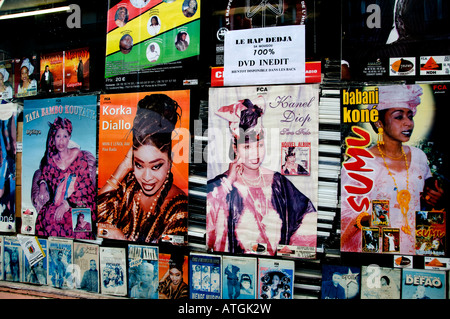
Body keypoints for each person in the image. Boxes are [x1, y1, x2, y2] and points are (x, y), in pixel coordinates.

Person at [341, 85, 444, 254]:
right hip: (380, 250)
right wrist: (366, 219)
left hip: (418, 249)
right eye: (398, 117)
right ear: (379, 122)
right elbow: (346, 213)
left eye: (410, 116)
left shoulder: (419, 157)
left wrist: (435, 198)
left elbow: (423, 203)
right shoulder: (360, 162)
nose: (408, 123)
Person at [207, 97, 317, 256]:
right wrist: (228, 184)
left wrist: (288, 253)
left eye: (259, 144)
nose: (255, 153)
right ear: (235, 148)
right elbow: (208, 227)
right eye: (247, 146)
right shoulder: (219, 186)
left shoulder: (278, 182)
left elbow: (307, 216)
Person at [97, 94, 188, 244]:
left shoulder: (178, 207)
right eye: (139, 164)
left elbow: (167, 257)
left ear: (170, 161)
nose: (146, 177)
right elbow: (94, 221)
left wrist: (121, 240)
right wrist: (125, 165)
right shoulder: (129, 186)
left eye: (155, 166)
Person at [33, 117, 96, 239]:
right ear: (53, 138)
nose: (61, 141)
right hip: (56, 203)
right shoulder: (52, 160)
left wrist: (67, 205)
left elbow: (85, 186)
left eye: (65, 137)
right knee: (46, 221)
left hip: (77, 203)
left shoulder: (79, 156)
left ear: (69, 138)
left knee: (77, 229)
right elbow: (44, 174)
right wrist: (42, 184)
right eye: (58, 136)